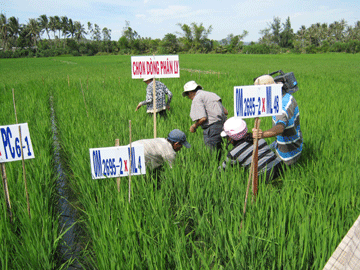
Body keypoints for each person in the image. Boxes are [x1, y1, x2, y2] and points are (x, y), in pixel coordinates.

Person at [252, 75, 302, 166]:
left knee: (262, 164)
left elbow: (280, 128)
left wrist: (262, 134)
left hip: (288, 154)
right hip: (292, 142)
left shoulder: (282, 108)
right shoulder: (285, 96)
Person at [220, 117, 284, 182]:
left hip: (263, 176)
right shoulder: (258, 138)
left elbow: (223, 169)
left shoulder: (233, 153)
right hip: (280, 167)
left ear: (231, 138)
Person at [182, 80, 228, 151]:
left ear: (190, 92)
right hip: (224, 127)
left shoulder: (197, 98)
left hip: (212, 129)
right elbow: (225, 112)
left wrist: (194, 126)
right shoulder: (212, 94)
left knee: (212, 155)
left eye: (188, 95)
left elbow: (203, 118)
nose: (189, 98)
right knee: (221, 151)